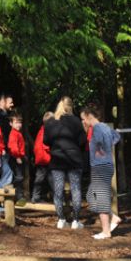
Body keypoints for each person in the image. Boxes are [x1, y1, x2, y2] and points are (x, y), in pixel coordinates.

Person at [43, 96, 87, 230]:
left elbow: (45, 141)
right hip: (74, 159)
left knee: (58, 190)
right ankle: (76, 221)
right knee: (76, 189)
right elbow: (82, 141)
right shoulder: (76, 121)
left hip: (57, 159)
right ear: (71, 106)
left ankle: (61, 219)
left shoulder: (51, 122)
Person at [80, 105, 122, 239]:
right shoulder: (105, 127)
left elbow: (99, 144)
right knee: (91, 196)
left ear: (89, 116)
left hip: (101, 166)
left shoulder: (98, 129)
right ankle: (113, 217)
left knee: (101, 198)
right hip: (103, 165)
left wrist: (99, 152)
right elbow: (117, 136)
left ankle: (106, 231)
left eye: (83, 119)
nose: (82, 122)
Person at [31, 111, 54, 203]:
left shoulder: (41, 130)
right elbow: (46, 146)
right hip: (46, 158)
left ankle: (35, 197)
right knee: (52, 179)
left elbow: (36, 146)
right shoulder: (47, 132)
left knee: (40, 178)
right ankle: (57, 198)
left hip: (40, 159)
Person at [7, 112, 26, 204]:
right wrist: (18, 157)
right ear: (11, 123)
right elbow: (13, 147)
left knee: (19, 177)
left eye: (20, 122)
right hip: (15, 158)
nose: (19, 124)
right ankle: (19, 198)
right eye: (16, 122)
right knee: (19, 177)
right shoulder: (14, 134)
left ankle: (18, 198)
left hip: (18, 157)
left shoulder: (18, 133)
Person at [0, 94, 14, 188]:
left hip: (5, 147)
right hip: (2, 147)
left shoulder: (5, 115)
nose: (12, 104)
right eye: (10, 102)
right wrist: (2, 147)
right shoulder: (1, 116)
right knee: (7, 171)